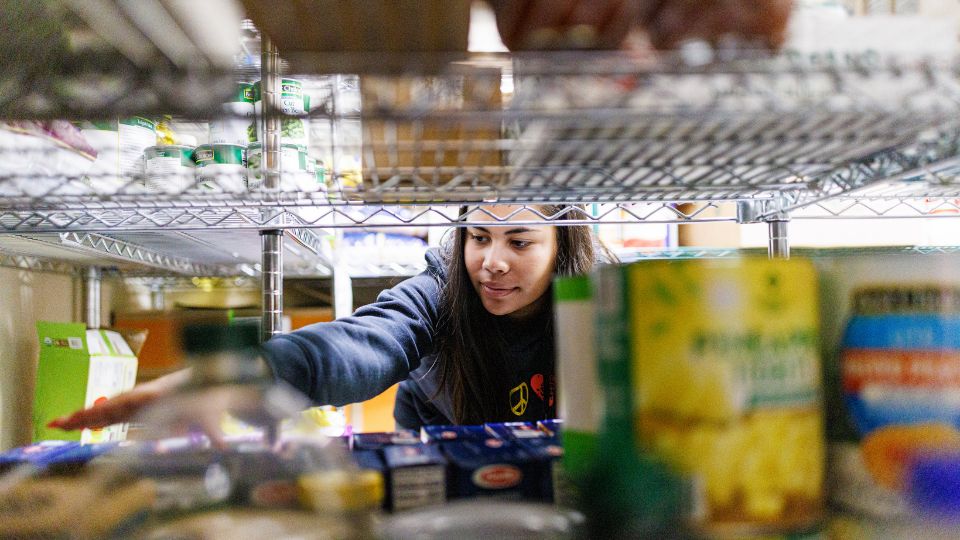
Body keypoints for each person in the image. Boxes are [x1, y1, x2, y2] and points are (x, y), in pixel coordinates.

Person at [49, 204, 609, 432]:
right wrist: (227, 376)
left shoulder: (603, 307)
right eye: (479, 237)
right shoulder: (441, 294)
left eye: (519, 242)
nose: (491, 262)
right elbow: (357, 345)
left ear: (563, 246)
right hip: (447, 466)